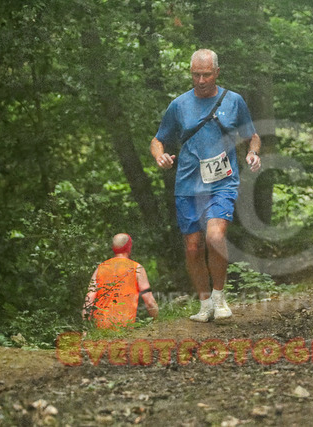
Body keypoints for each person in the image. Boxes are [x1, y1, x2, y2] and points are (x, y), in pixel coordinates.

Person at [150, 49, 261, 322]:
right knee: (192, 247)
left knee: (215, 237)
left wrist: (252, 153)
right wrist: (160, 156)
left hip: (222, 182)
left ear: (217, 72)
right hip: (188, 185)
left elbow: (253, 136)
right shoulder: (178, 105)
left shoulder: (234, 101)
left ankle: (220, 298)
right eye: (196, 75)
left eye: (207, 75)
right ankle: (205, 304)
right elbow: (158, 139)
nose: (201, 80)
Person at [83, 233, 159, 329]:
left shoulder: (101, 268)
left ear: (113, 248)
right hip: (125, 328)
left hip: (101, 330)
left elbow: (89, 299)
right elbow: (149, 301)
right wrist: (157, 321)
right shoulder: (136, 268)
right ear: (129, 247)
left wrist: (85, 328)